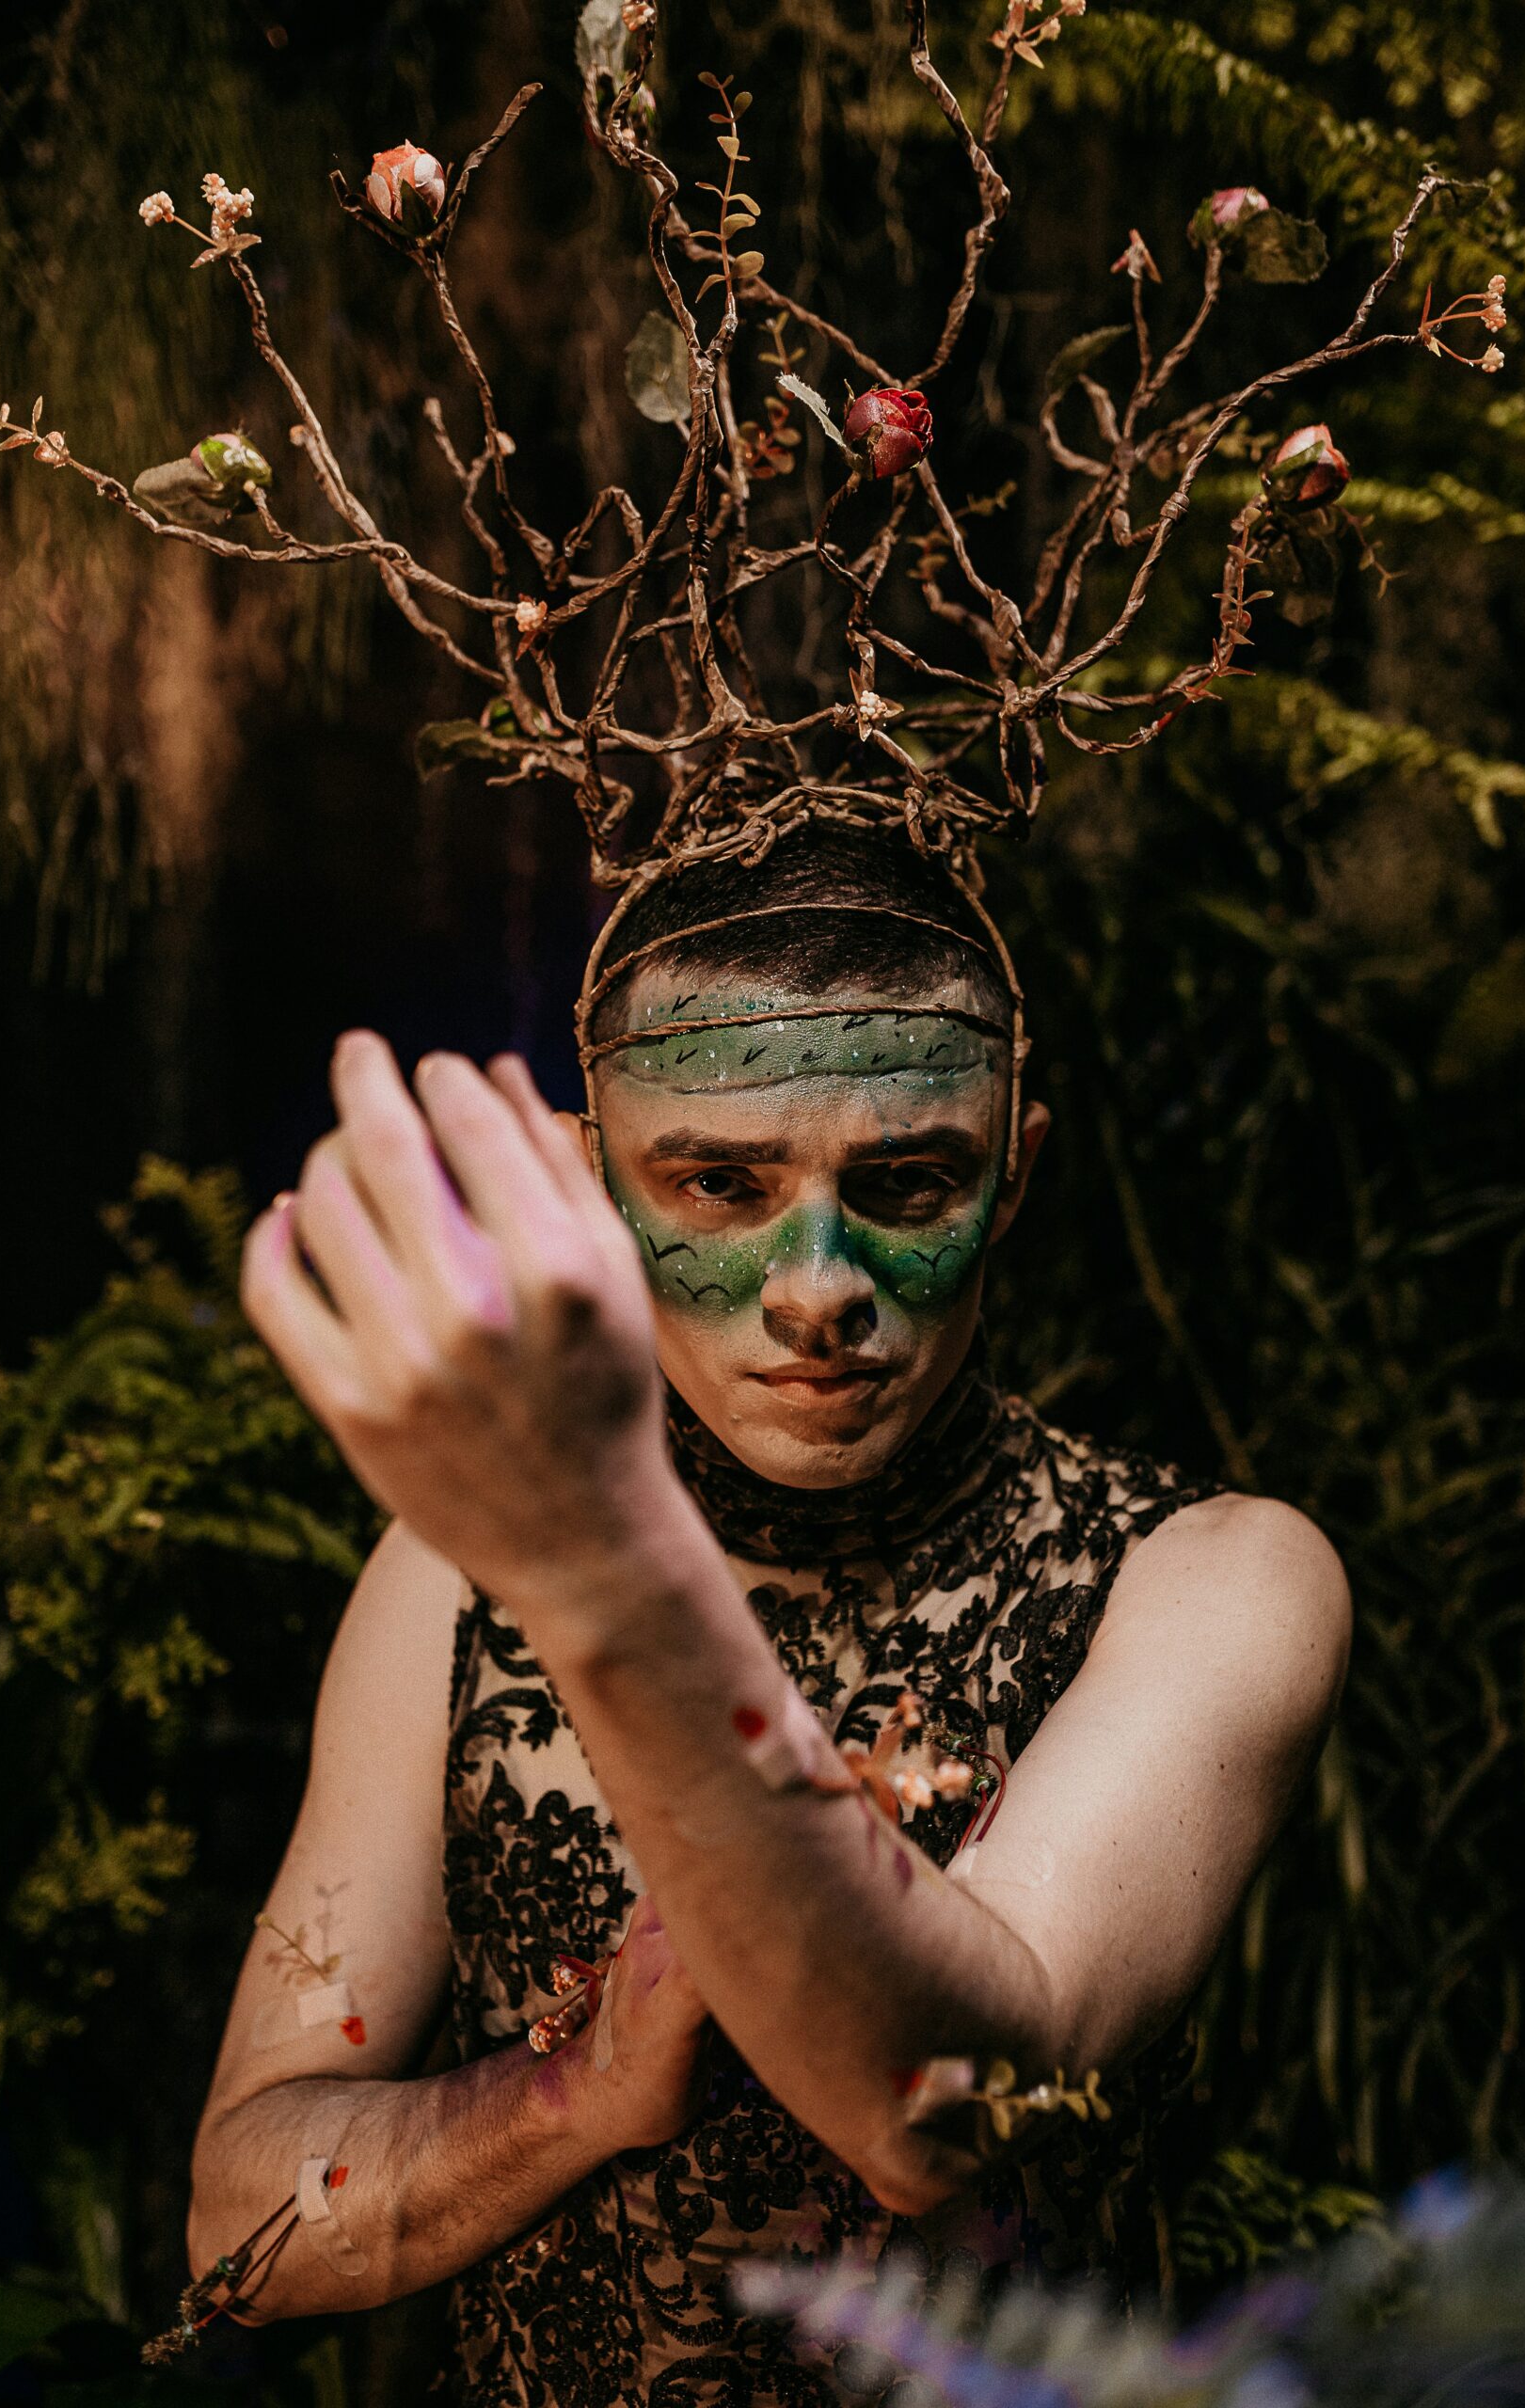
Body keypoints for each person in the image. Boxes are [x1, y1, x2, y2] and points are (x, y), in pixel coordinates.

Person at [187, 821, 1350, 2405]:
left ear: (1011, 1174)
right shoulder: (448, 1577)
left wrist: (603, 1566)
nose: (816, 1283)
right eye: (719, 1185)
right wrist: (569, 2095)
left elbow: (936, 2109)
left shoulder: (1206, 1578)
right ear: (591, 1176)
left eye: (904, 1181)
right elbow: (237, 2221)